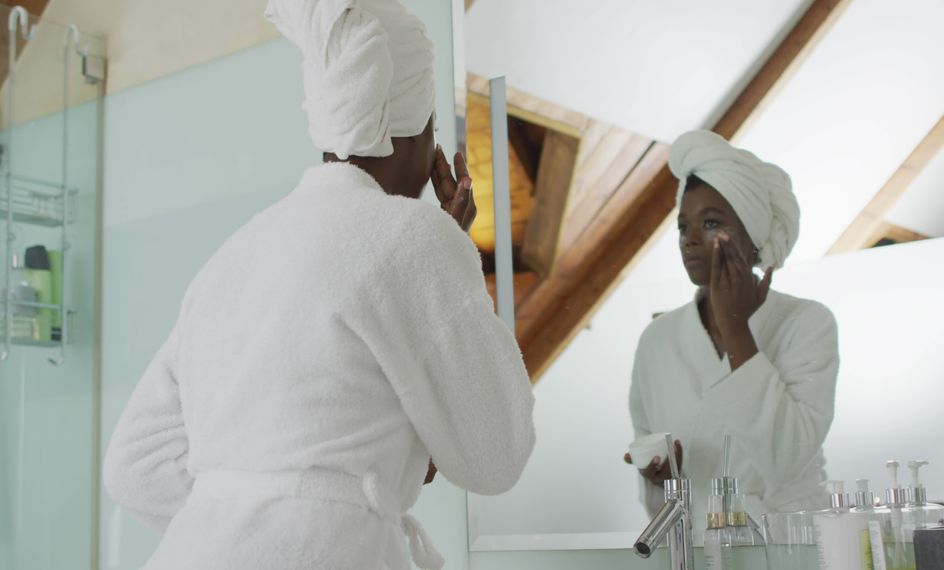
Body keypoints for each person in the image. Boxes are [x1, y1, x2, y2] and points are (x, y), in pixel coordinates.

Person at [103, 1, 535, 568]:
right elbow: (496, 454)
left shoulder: (234, 254)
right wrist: (450, 248)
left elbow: (134, 467)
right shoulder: (415, 238)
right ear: (414, 133)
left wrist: (243, 508)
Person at [625, 130, 839, 533]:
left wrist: (736, 329)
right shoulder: (658, 341)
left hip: (790, 546)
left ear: (752, 237)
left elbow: (786, 456)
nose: (689, 239)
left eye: (710, 222)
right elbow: (656, 478)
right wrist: (662, 477)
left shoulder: (807, 324)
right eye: (682, 226)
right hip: (698, 547)